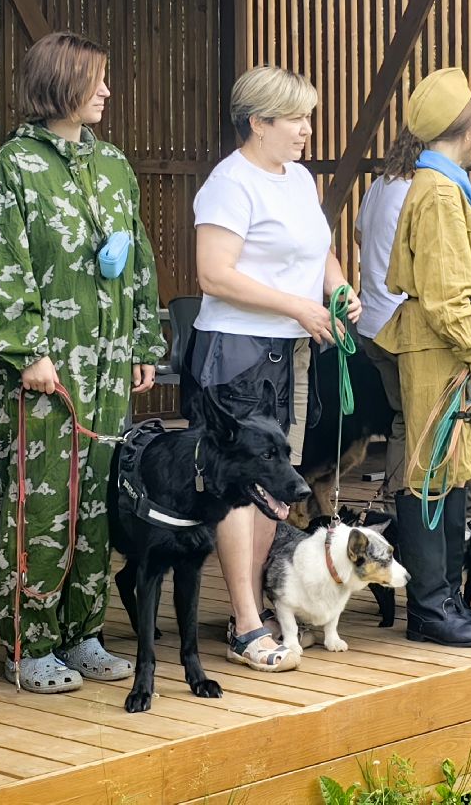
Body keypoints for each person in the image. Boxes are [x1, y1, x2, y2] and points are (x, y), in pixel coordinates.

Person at [0, 31, 164, 693]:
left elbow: (136, 258)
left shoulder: (112, 164)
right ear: (60, 82)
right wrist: (28, 351)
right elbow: (4, 267)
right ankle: (27, 642)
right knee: (41, 504)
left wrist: (145, 342)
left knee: (96, 506)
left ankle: (83, 631)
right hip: (46, 375)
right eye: (97, 79)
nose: (107, 91)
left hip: (109, 369)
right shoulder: (15, 167)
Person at [191, 66, 360, 672]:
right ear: (258, 122)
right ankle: (244, 622)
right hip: (234, 354)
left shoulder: (299, 180)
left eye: (307, 117)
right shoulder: (228, 185)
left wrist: (340, 292)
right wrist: (299, 307)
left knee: (277, 486)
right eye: (296, 119)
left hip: (285, 348)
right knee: (241, 488)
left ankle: (261, 608)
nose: (307, 130)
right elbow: (214, 274)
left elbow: (322, 254)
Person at [377, 67, 471, 645]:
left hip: (454, 345)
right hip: (443, 345)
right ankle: (430, 608)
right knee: (429, 471)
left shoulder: (446, 184)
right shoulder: (440, 192)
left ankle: (448, 600)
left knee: (454, 466)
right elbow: (444, 293)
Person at [355, 129, 421, 492]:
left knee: (403, 417)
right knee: (417, 419)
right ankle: (404, 501)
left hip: (371, 323)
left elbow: (359, 235)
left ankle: (395, 496)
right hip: (401, 323)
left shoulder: (380, 186)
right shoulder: (417, 191)